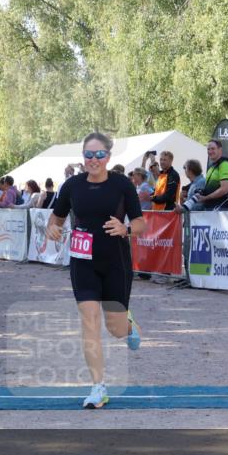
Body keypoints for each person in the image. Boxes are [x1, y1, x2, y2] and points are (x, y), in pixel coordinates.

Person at [46, 132, 145, 409]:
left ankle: (128, 325)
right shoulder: (72, 186)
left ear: (108, 157)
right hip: (83, 263)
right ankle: (98, 387)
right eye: (88, 155)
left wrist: (126, 228)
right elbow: (56, 218)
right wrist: (52, 228)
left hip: (116, 263)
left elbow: (141, 223)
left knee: (115, 328)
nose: (94, 160)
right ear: (83, 157)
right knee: (89, 322)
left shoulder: (122, 185)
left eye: (99, 154)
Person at [195, 140, 228, 210]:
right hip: (210, 208)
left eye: (213, 149)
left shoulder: (224, 164)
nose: (210, 152)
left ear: (220, 150)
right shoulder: (211, 166)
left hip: (220, 209)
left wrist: (205, 198)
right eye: (208, 149)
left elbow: (224, 189)